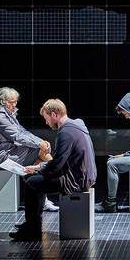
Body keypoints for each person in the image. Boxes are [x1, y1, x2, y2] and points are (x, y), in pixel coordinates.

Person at [9, 99, 97, 241]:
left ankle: (32, 229)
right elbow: (59, 162)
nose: (46, 123)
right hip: (85, 175)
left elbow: (56, 165)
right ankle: (32, 224)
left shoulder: (66, 131)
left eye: (46, 118)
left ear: (54, 115)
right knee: (35, 178)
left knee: (31, 182)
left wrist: (37, 169)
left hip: (76, 180)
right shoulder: (76, 124)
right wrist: (39, 168)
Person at [0, 86, 58, 211]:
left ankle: (42, 199)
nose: (14, 104)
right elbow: (18, 136)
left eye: (15, 101)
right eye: (12, 102)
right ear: (3, 102)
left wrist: (41, 141)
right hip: (3, 156)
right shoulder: (0, 118)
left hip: (12, 151)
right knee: (40, 152)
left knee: (37, 164)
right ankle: (59, 174)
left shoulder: (8, 115)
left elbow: (24, 132)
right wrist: (40, 144)